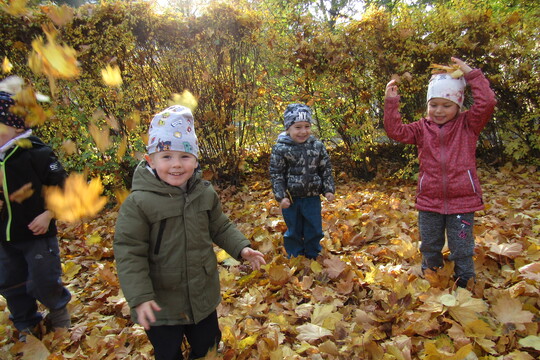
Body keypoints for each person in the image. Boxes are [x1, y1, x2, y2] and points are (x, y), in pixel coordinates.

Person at [114, 105, 266, 360]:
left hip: (201, 294)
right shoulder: (139, 203)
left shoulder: (203, 193)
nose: (176, 165)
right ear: (150, 160)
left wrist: (242, 248)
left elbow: (220, 225)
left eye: (185, 157)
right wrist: (139, 298)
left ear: (196, 160)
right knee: (168, 352)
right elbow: (129, 252)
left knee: (207, 346)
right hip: (161, 302)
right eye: (166, 157)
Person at [384, 57, 497, 288]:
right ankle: (431, 278)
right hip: (430, 201)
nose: (439, 110)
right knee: (430, 244)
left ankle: (466, 282)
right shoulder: (420, 129)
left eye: (446, 105)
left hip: (462, 202)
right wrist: (391, 103)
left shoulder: (468, 125)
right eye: (433, 104)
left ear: (458, 105)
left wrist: (471, 74)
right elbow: (395, 131)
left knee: (462, 246)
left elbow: (487, 103)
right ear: (427, 105)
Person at [0, 78, 71, 342]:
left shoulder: (37, 153)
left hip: (38, 235)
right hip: (4, 235)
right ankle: (26, 322)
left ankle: (59, 313)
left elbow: (61, 186)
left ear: (16, 126)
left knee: (43, 280)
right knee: (10, 281)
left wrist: (49, 213)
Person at [269, 103, 335, 259]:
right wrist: (281, 196)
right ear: (288, 128)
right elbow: (276, 174)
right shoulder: (280, 148)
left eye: (307, 126)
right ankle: (295, 256)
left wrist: (328, 189)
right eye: (297, 127)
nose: (303, 131)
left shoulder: (317, 146)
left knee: (314, 228)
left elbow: (325, 169)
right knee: (294, 229)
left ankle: (313, 254)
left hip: (312, 197)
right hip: (291, 199)